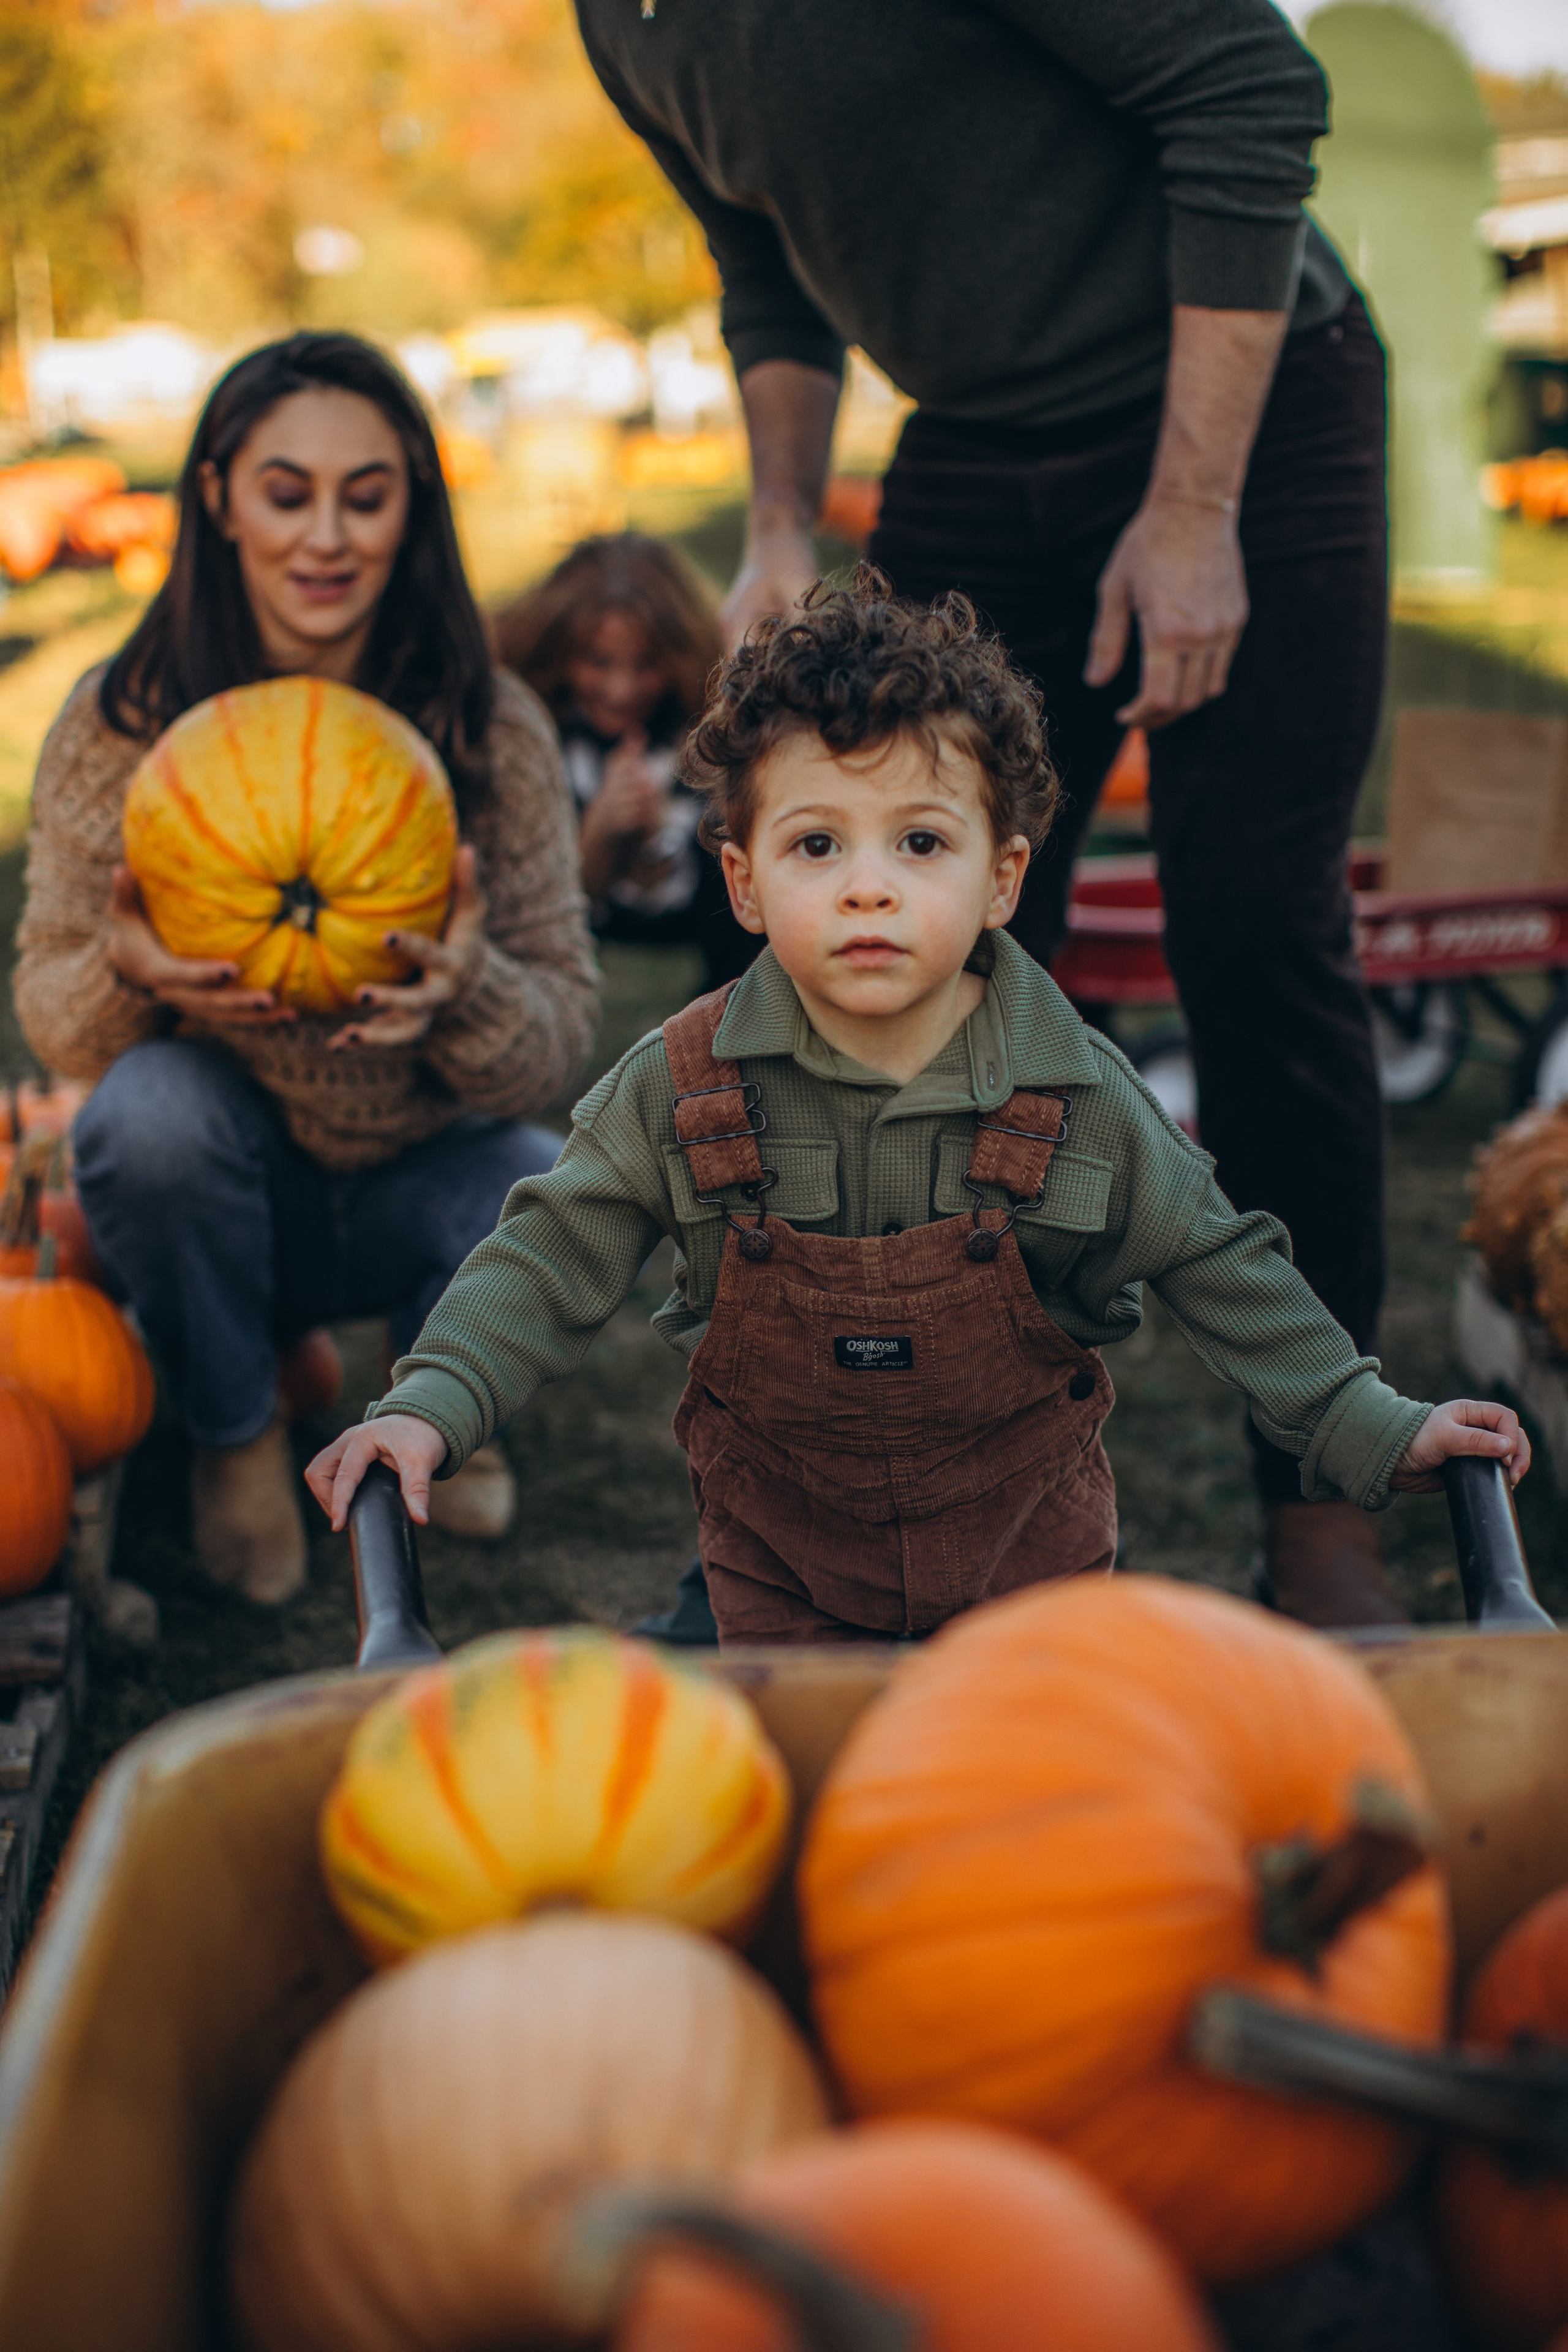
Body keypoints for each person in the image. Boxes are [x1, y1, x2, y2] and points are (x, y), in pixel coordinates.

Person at [571, 0, 1398, 1627]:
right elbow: (765, 268)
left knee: (1251, 936)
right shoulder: (622, 24)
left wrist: (1190, 507)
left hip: (1243, 403)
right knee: (859, 945)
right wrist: (784, 523)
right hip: (981, 441)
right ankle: (826, 1507)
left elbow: (1250, 88)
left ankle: (1324, 1531)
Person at [307, 582, 1526, 1648]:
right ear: (741, 881)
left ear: (1002, 876)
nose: (868, 885)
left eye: (920, 841)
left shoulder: (1078, 1094)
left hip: (1026, 1569)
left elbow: (1222, 1269)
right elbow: (546, 1254)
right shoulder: (683, 1087)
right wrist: (429, 1405)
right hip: (779, 1573)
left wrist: (1369, 1425)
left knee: (1007, 1835)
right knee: (828, 1835)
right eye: (816, 843)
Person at [15, 331, 596, 1603]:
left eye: (366, 495)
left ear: (413, 507)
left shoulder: (487, 724)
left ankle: (447, 1398)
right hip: (235, 1190)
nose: (326, 537)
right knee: (145, 1118)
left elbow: (559, 1035)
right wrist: (137, 976)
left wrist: (467, 991)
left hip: (421, 1174)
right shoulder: (124, 720)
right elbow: (57, 1015)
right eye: (288, 493)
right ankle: (237, 1431)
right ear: (218, 497)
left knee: (539, 1175)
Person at [494, 533, 757, 992]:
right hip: (566, 899)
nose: (622, 689)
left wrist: (654, 836)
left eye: (646, 665)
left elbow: (682, 889)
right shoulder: (530, 728)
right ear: (559, 650)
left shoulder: (700, 726)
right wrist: (597, 834)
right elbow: (532, 903)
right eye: (598, 662)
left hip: (681, 908)